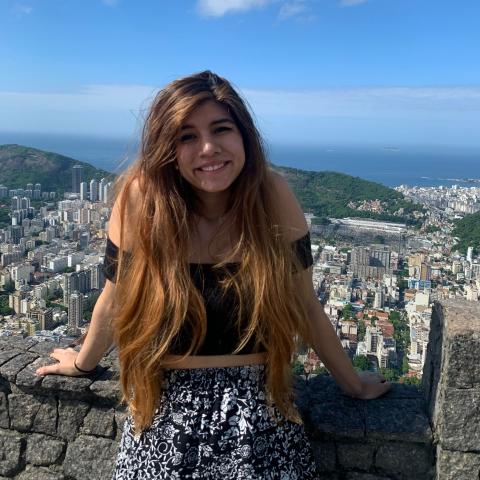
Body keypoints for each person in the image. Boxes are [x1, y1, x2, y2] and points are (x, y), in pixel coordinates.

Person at [36, 71, 391, 479]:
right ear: (168, 148)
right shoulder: (142, 200)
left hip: (260, 424)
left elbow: (304, 306)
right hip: (163, 419)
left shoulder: (271, 197)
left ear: (244, 137)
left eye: (221, 129)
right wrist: (83, 364)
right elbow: (116, 300)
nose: (208, 148)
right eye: (186, 136)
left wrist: (354, 385)